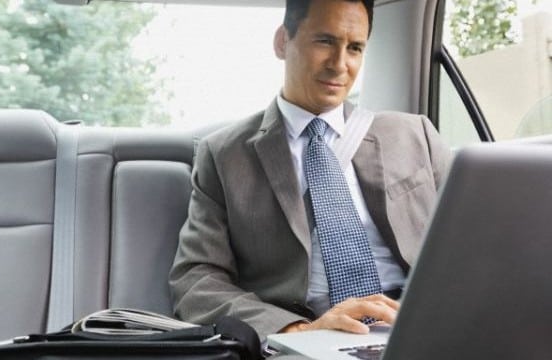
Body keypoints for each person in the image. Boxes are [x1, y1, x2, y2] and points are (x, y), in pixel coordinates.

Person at [169, 0, 451, 341]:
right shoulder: (224, 155)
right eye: (325, 41)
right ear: (281, 42)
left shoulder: (414, 134)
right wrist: (299, 331)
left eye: (355, 48)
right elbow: (196, 278)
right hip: (314, 330)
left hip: (423, 323)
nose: (340, 64)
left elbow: (474, 241)